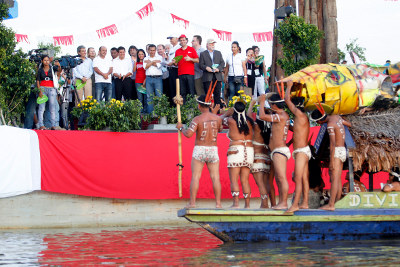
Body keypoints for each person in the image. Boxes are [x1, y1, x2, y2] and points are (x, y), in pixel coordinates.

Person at [175, 95, 223, 209]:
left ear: (199, 106)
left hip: (200, 149)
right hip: (213, 149)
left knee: (196, 177)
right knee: (215, 177)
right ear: (210, 105)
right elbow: (220, 129)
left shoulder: (197, 119)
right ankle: (218, 204)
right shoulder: (218, 118)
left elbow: (188, 134)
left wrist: (181, 128)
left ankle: (192, 203)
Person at [310, 108, 351, 211]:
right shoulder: (337, 118)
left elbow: (332, 144)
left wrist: (332, 161)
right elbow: (349, 124)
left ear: (320, 121)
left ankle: (331, 204)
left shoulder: (330, 125)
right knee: (338, 179)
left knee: (334, 179)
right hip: (343, 150)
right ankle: (337, 202)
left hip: (336, 151)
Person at [259, 93, 290, 210]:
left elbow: (262, 116)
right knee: (278, 179)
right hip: (278, 150)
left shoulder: (281, 116)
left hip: (279, 150)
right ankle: (282, 202)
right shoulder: (281, 115)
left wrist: (262, 101)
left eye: (271, 105)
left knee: (281, 178)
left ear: (274, 105)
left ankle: (284, 203)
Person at [221, 101, 254, 208]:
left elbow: (220, 119)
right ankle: (247, 205)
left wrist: (227, 112)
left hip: (236, 150)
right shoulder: (249, 121)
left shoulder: (230, 120)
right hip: (249, 150)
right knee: (245, 180)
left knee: (234, 179)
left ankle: (235, 203)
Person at [284, 81, 311, 213]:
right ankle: (305, 203)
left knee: (298, 178)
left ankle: (295, 204)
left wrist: (289, 86)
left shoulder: (300, 115)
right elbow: (297, 132)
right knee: (304, 178)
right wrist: (288, 143)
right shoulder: (302, 117)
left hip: (301, 152)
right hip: (303, 150)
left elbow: (286, 99)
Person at [247, 100, 271, 208]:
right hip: (266, 157)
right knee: (264, 183)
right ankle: (264, 204)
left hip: (257, 157)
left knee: (260, 183)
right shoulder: (270, 126)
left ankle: (265, 203)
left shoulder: (256, 126)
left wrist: (251, 104)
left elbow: (247, 116)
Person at [36, 55, 61, 130]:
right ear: (42, 61)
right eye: (45, 60)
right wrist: (39, 90)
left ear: (49, 61)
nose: (46, 62)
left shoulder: (53, 68)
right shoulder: (40, 70)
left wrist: (59, 66)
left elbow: (59, 72)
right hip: (42, 88)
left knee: (52, 107)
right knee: (41, 107)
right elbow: (38, 81)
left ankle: (53, 125)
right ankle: (41, 124)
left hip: (51, 88)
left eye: (47, 60)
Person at [173, 34, 199, 102]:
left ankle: (192, 109)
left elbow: (197, 60)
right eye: (181, 40)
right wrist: (174, 62)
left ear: (186, 41)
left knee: (191, 91)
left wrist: (190, 59)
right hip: (181, 74)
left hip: (190, 73)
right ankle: (184, 109)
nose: (182, 41)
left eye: (183, 40)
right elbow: (176, 64)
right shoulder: (177, 51)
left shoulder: (191, 49)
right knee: (182, 92)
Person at [199, 39, 225, 105]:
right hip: (208, 76)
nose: (212, 45)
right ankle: (208, 111)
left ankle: (217, 110)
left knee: (217, 94)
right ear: (207, 45)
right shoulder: (203, 54)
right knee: (208, 95)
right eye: (211, 44)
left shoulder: (218, 53)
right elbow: (200, 65)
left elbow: (222, 63)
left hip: (217, 76)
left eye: (213, 44)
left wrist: (218, 69)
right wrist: (206, 68)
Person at [144, 44, 163, 113]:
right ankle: (150, 115)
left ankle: (160, 114)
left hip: (158, 78)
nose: (152, 52)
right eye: (151, 50)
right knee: (149, 97)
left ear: (155, 50)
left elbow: (159, 66)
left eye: (153, 50)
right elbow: (145, 67)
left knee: (159, 97)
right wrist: (153, 62)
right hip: (149, 78)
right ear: (148, 50)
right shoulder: (145, 58)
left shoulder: (160, 57)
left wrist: (150, 62)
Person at [166, 34, 180, 104]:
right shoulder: (171, 48)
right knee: (171, 89)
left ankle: (177, 105)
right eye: (170, 39)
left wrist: (172, 62)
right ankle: (173, 105)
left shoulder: (179, 47)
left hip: (176, 69)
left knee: (176, 88)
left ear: (177, 38)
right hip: (170, 69)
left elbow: (179, 59)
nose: (170, 40)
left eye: (172, 38)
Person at [133, 49, 147, 113]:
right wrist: (135, 62)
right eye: (139, 54)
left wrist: (145, 80)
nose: (140, 55)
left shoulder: (146, 62)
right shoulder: (137, 62)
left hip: (145, 81)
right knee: (140, 98)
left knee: (146, 97)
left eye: (142, 54)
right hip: (138, 81)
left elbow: (147, 71)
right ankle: (140, 111)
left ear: (144, 54)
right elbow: (133, 70)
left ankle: (146, 111)